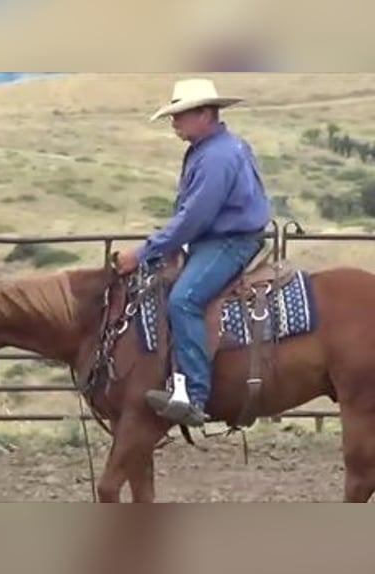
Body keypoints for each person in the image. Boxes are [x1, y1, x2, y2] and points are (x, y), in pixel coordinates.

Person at [114, 78, 272, 427]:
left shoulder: (217, 156)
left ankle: (194, 396)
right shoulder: (213, 148)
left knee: (182, 300)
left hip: (230, 241)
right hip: (216, 238)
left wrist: (144, 251)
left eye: (180, 115)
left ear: (205, 114)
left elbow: (194, 216)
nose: (174, 123)